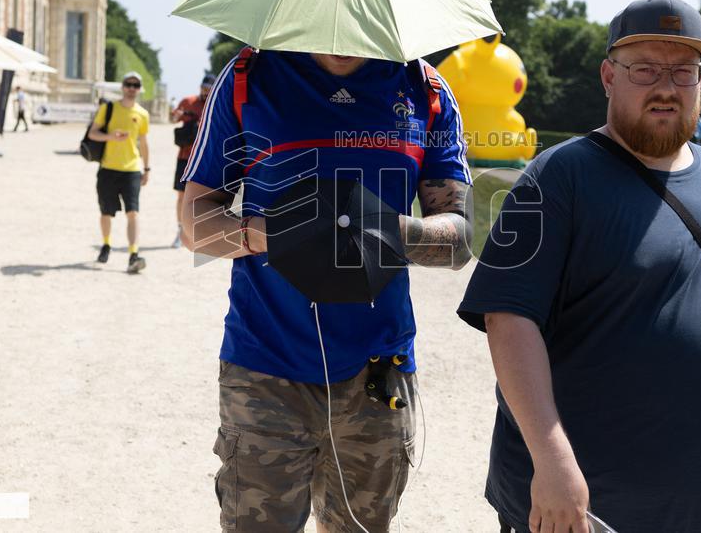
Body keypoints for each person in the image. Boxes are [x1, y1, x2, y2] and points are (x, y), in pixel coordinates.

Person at [457, 0, 701, 533]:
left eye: (683, 71)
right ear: (608, 76)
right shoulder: (556, 177)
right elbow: (508, 318)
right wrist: (552, 463)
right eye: (644, 68)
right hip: (598, 497)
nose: (665, 86)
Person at [179, 49, 473, 532]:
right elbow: (195, 223)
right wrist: (283, 232)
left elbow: (460, 239)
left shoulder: (426, 88)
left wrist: (378, 228)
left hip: (377, 371)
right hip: (265, 366)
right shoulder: (249, 77)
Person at [87, 71, 151, 274]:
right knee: (106, 212)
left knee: (133, 212)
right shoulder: (108, 108)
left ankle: (134, 253)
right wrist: (110, 136)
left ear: (139, 89)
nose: (132, 88)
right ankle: (106, 244)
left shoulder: (142, 114)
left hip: (132, 169)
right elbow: (92, 133)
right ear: (122, 86)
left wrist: (147, 168)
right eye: (128, 84)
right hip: (108, 168)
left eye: (136, 85)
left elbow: (144, 143)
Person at [169, 73, 214, 247]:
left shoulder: (216, 103)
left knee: (206, 196)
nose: (205, 92)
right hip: (185, 157)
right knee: (182, 196)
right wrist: (176, 114)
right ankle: (181, 231)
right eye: (203, 88)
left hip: (206, 158)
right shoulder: (188, 102)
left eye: (208, 89)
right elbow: (174, 118)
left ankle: (204, 232)